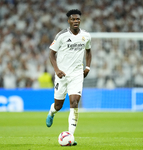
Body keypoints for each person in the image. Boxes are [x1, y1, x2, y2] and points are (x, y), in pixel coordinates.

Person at [46, 9, 92, 146]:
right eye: (73, 19)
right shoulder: (61, 36)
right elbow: (51, 54)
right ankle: (51, 112)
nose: (75, 21)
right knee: (59, 105)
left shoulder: (86, 36)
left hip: (77, 74)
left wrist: (87, 67)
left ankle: (70, 135)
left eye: (78, 19)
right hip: (62, 75)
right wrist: (57, 70)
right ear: (68, 21)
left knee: (74, 102)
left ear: (80, 20)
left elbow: (88, 51)